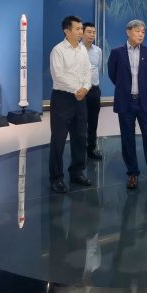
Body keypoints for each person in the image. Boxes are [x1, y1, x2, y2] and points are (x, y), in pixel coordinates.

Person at [107, 19, 147, 191]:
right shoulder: (117, 53)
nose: (141, 34)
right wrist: (124, 88)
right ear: (128, 32)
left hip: (143, 101)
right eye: (138, 31)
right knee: (127, 138)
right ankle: (132, 173)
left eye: (143, 32)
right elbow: (112, 74)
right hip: (126, 102)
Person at [48, 15, 92, 193]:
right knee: (58, 140)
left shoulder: (82, 50)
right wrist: (78, 89)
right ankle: (56, 178)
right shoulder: (58, 50)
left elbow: (88, 71)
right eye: (78, 29)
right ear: (67, 31)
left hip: (81, 99)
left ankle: (77, 172)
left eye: (81, 28)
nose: (81, 31)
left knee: (80, 137)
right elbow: (58, 76)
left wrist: (86, 88)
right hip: (62, 99)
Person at [82, 22, 103, 160]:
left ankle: (91, 149)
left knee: (93, 121)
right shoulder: (77, 49)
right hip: (80, 91)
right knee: (80, 122)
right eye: (89, 32)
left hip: (94, 90)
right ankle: (79, 150)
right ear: (82, 33)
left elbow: (98, 68)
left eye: (94, 32)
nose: (92, 35)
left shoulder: (98, 51)